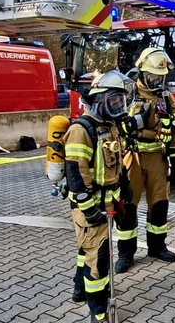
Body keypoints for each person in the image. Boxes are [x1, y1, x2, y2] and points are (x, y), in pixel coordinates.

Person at [64, 70, 133, 323]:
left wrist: (124, 185)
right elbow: (75, 172)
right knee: (99, 258)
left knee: (87, 249)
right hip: (91, 205)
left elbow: (116, 162)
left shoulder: (110, 126)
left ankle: (79, 289)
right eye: (114, 101)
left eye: (121, 101)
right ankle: (98, 310)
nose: (119, 107)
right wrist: (88, 207)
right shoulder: (82, 129)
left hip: (108, 201)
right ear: (100, 99)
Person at [114, 48, 175, 273]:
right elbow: (114, 125)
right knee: (128, 206)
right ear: (142, 73)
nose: (157, 81)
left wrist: (174, 159)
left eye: (161, 77)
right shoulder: (126, 94)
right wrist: (134, 123)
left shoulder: (166, 97)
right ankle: (126, 253)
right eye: (153, 77)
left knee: (159, 205)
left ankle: (157, 247)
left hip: (158, 159)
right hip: (131, 157)